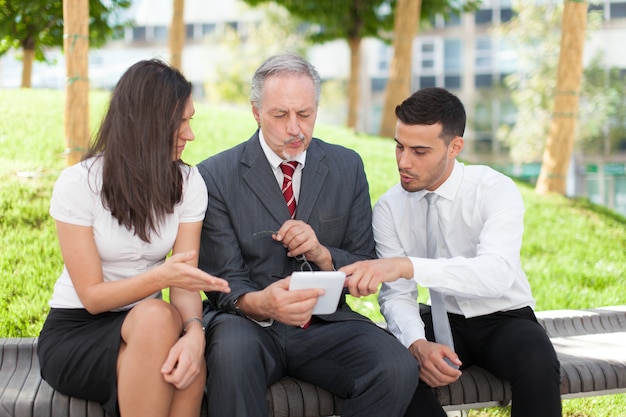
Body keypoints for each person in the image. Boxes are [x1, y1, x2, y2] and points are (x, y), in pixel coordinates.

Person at [196, 53, 421, 417]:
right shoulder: (215, 175)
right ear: (256, 112)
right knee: (231, 356)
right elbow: (224, 283)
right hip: (249, 325)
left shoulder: (347, 166)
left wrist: (321, 253)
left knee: (395, 368)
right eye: (280, 115)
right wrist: (263, 303)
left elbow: (364, 260)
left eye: (305, 114)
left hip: (325, 325)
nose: (295, 128)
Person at [341, 87, 562, 417]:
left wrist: (408, 266)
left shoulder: (494, 190)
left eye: (419, 151)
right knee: (393, 371)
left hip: (506, 319)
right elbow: (397, 295)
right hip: (441, 321)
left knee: (538, 365)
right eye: (399, 147)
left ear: (454, 147)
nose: (404, 161)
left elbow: (497, 275)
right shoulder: (389, 208)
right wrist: (417, 345)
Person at [37, 59, 230, 417]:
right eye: (179, 123)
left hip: (152, 326)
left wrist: (194, 335)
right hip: (78, 330)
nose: (190, 135)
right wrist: (162, 277)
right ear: (145, 124)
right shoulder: (80, 184)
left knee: (185, 359)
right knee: (158, 323)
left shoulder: (189, 183)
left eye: (191, 120)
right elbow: (93, 298)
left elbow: (184, 284)